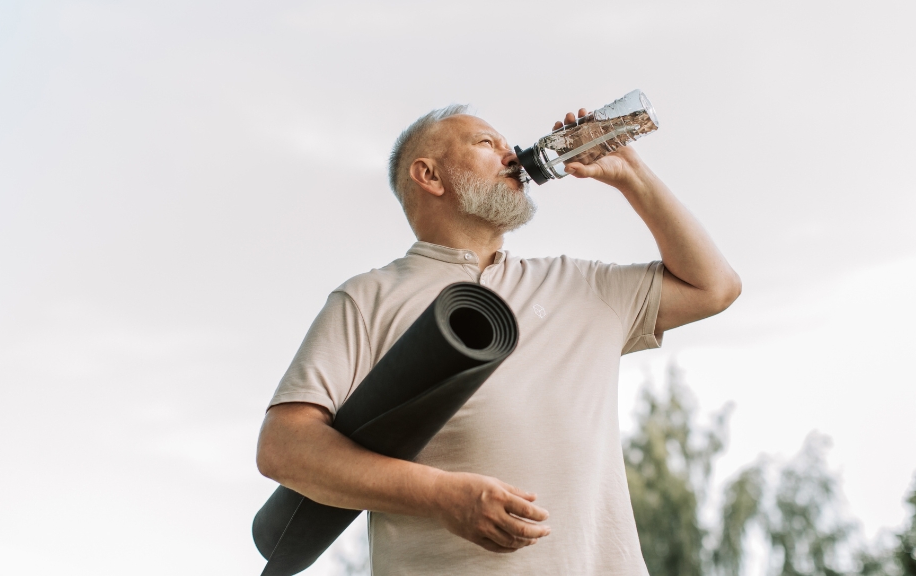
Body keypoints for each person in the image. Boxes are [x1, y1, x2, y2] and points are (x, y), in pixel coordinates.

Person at [256, 104, 741, 576]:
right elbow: (284, 448)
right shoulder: (369, 298)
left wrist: (631, 174)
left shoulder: (581, 285)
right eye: (486, 143)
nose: (511, 155)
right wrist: (440, 495)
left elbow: (714, 287)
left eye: (508, 144)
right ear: (429, 176)